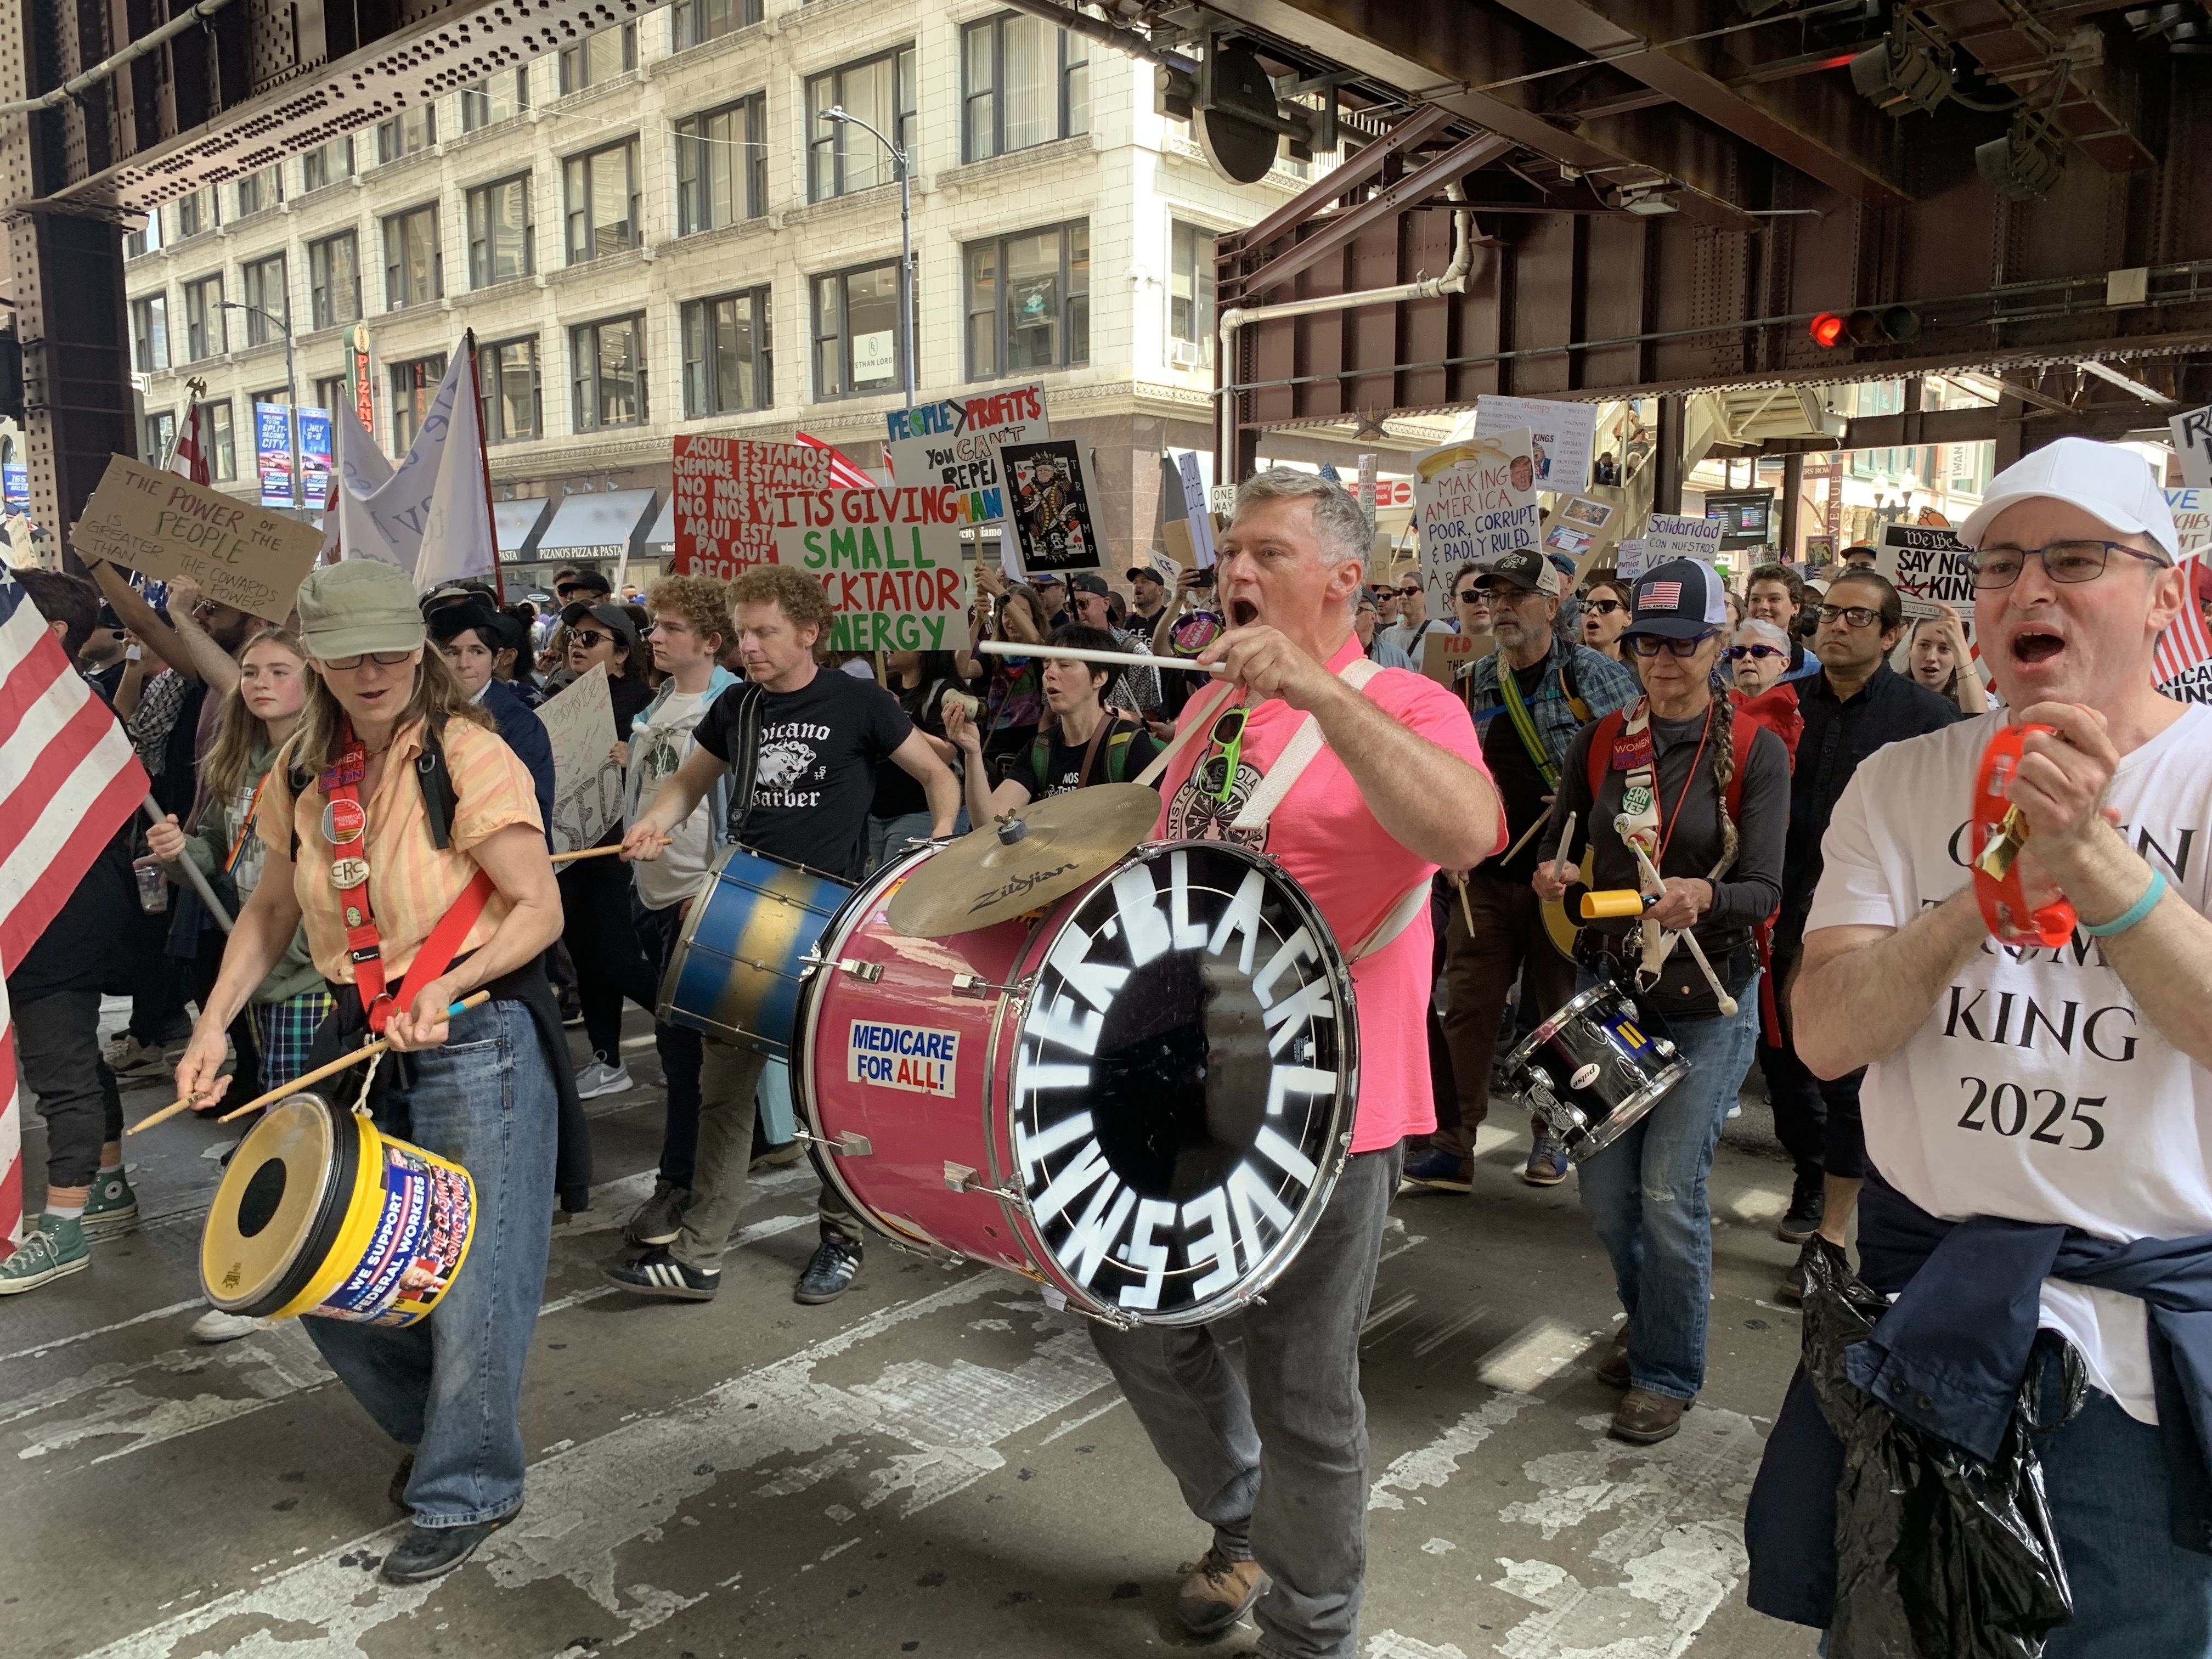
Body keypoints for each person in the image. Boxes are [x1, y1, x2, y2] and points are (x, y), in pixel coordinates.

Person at [1746, 437, 2212, 1656]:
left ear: (2167, 590)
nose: (2028, 591)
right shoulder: (1901, 786)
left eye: (2075, 559)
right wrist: (1991, 882)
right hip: (1923, 1335)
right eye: (2001, 565)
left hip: (2139, 1375)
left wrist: (2097, 863)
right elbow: (1828, 1034)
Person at [1093, 468, 1503, 1659]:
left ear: (1343, 578)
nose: (1234, 574)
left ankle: (1313, 1631)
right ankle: (1244, 1520)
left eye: (1266, 553)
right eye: (1230, 553)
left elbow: (1467, 833)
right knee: (1123, 1309)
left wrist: (1320, 695)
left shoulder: (1413, 703)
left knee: (1306, 1387)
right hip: (1181, 1085)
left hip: (1328, 1105)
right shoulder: (1211, 707)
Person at [170, 559, 572, 1584]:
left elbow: (537, 906)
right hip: (361, 1034)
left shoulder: (469, 755)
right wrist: (213, 1023)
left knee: (477, 1279)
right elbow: (267, 911)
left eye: (393, 650)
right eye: (349, 655)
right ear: (319, 660)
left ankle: (466, 1481)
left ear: (422, 650)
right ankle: (447, 1427)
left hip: (478, 1037)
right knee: (313, 1263)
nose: (375, 670)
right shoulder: (300, 770)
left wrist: (451, 984)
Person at [611, 564, 959, 1304]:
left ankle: (843, 1237)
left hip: (829, 919)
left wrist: (937, 841)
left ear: (809, 632)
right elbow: (688, 783)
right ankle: (700, 1253)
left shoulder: (860, 701)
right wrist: (655, 819)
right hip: (748, 911)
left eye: (765, 632)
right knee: (723, 1093)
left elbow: (936, 774)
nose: (750, 646)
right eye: (743, 633)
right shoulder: (736, 707)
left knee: (826, 1097)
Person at [1534, 558, 1788, 1444]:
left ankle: (1665, 1369)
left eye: (1683, 644)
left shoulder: (1756, 749)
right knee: (1605, 1196)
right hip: (1608, 989)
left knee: (1668, 1191)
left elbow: (1764, 888)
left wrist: (1705, 896)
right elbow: (1573, 863)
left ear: (1718, 644)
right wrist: (1559, 876)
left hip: (1708, 995)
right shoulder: (1603, 740)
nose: (1664, 660)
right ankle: (1648, 1320)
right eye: (1649, 643)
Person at [1404, 550, 1639, 1192]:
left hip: (1566, 880)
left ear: (1551, 606)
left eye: (1516, 595)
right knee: (1468, 1010)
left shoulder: (1596, 675)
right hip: (1483, 875)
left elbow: (1640, 773)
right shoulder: (1477, 678)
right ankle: (1453, 1144)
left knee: (1556, 1012)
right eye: (1493, 595)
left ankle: (1553, 1138)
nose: (1500, 606)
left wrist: (1583, 806)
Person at [1759, 568, 1963, 1284]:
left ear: (1891, 635)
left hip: (1871, 926)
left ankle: (1833, 1232)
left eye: (1855, 617)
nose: (1836, 626)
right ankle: (1813, 1174)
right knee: (1786, 1076)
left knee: (1846, 1083)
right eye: (1828, 614)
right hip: (1780, 915)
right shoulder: (1776, 707)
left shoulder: (1929, 724)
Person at [141, 628, 330, 1341]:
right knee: (286, 1120)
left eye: (280, 670)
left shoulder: (328, 763)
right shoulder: (240, 757)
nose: (258, 682)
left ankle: (281, 1279)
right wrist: (177, 849)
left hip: (310, 973)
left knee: (292, 1127)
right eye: (250, 670)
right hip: (255, 969)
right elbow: (220, 853)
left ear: (313, 681)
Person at [0, 571, 140, 1294]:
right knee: (72, 1059)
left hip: (59, 922)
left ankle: (63, 1228)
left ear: (46, 637)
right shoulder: (60, 710)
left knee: (58, 1068)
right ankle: (106, 1185)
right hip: (59, 917)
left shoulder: (69, 717)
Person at [619, 575, 747, 1250]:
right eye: (655, 627)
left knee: (685, 1052)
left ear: (709, 640)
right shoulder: (664, 698)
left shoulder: (733, 704)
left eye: (670, 628)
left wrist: (716, 884)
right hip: (653, 889)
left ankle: (681, 1186)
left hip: (700, 897)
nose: (656, 638)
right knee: (685, 1053)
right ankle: (691, 1178)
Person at [947, 623, 1159, 820]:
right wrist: (973, 753)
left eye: (1064, 665)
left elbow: (1152, 836)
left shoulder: (1129, 745)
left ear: (1099, 678)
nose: (1050, 674)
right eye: (1047, 664)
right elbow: (990, 822)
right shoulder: (1041, 749)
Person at [428, 601, 555, 836]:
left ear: (496, 659)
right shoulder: (423, 715)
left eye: (477, 651)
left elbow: (534, 812)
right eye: (452, 652)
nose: (464, 664)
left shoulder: (522, 724)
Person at [868, 648, 966, 870]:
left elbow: (947, 753)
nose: (887, 644)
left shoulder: (945, 691)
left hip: (920, 813)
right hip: (879, 813)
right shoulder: (885, 688)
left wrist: (895, 717)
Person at [1067, 572, 1160, 719]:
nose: (1076, 612)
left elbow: (1150, 717)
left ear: (1106, 604)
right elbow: (1049, 717)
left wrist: (1107, 715)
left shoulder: (1133, 653)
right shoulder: (1061, 651)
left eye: (1083, 603)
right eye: (1070, 607)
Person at [1724, 617, 1804, 763]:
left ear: (1783, 664)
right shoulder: (1714, 705)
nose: (1747, 658)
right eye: (1738, 652)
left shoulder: (1791, 713)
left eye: (1760, 651)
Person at [1744, 563, 1823, 685]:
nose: (1763, 606)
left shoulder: (1814, 669)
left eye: (1774, 599)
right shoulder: (1727, 664)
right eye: (1755, 599)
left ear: (1795, 608)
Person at [1906, 602, 1992, 713]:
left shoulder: (1979, 700)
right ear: (1910, 647)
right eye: (1924, 645)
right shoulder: (1885, 690)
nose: (1931, 657)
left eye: (1944, 649)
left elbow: (1977, 720)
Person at [1380, 573, 1446, 659]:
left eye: (1410, 591)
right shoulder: (1386, 636)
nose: (1403, 597)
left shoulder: (1442, 632)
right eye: (1398, 592)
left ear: (1425, 595)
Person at [1353, 590, 1415, 669]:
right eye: (1348, 610)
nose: (1351, 616)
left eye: (1358, 610)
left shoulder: (1396, 657)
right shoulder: (1335, 652)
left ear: (1373, 617)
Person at [1579, 577, 1631, 662]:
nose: (1593, 612)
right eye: (1587, 606)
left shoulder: (1640, 673)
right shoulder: (1562, 669)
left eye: (1606, 606)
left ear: (1628, 618)